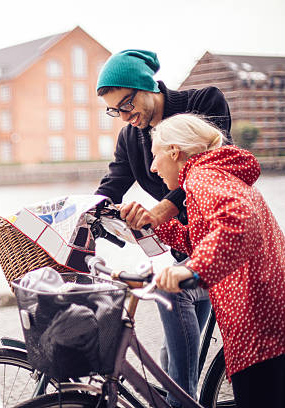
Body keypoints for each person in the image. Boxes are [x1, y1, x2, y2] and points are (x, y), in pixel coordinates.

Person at [94, 49, 232, 406]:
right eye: (115, 111)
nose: (124, 116)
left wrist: (158, 212)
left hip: (220, 241)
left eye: (127, 104)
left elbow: (212, 167)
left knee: (175, 321)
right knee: (175, 355)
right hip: (184, 246)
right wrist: (76, 220)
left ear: (146, 86)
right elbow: (111, 184)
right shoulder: (130, 136)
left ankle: (180, 403)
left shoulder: (204, 102)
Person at [121, 113, 285, 408]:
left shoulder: (203, 177)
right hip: (269, 312)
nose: (153, 167)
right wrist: (153, 224)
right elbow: (202, 238)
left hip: (257, 321)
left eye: (156, 156)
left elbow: (238, 223)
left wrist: (194, 270)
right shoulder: (217, 174)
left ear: (174, 151)